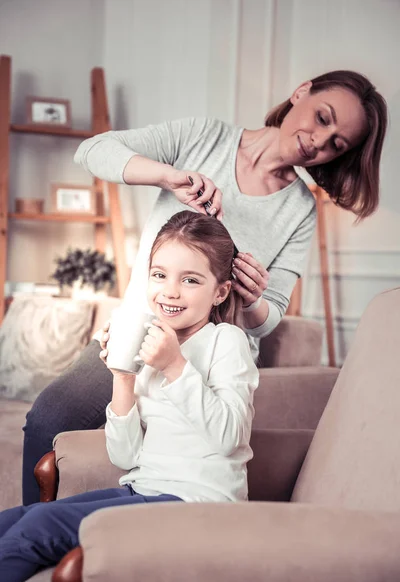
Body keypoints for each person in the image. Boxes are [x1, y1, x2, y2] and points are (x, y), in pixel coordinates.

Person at [22, 69, 388, 505]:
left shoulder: (300, 209)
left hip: (210, 358)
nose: (319, 141)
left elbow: (269, 315)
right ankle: (36, 539)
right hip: (142, 333)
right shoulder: (203, 137)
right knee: (49, 416)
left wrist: (252, 301)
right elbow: (92, 150)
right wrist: (166, 177)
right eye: (322, 118)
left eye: (336, 145)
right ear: (301, 92)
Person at [0, 212, 259, 582]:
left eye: (190, 280)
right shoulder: (152, 345)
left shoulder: (227, 342)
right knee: (14, 519)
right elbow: (125, 456)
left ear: (219, 291)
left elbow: (229, 436)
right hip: (144, 491)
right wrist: (123, 376)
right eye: (160, 275)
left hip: (198, 504)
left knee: (38, 529)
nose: (170, 291)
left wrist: (175, 366)